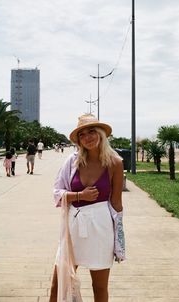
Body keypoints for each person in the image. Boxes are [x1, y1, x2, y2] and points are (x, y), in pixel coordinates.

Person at [49, 114, 125, 302]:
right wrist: (79, 196)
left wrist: (119, 242)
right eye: (82, 134)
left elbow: (116, 203)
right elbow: (57, 191)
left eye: (92, 131)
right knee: (58, 283)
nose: (88, 137)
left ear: (101, 134)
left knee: (99, 288)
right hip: (73, 227)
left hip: (101, 229)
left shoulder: (115, 163)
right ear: (79, 140)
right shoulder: (72, 161)